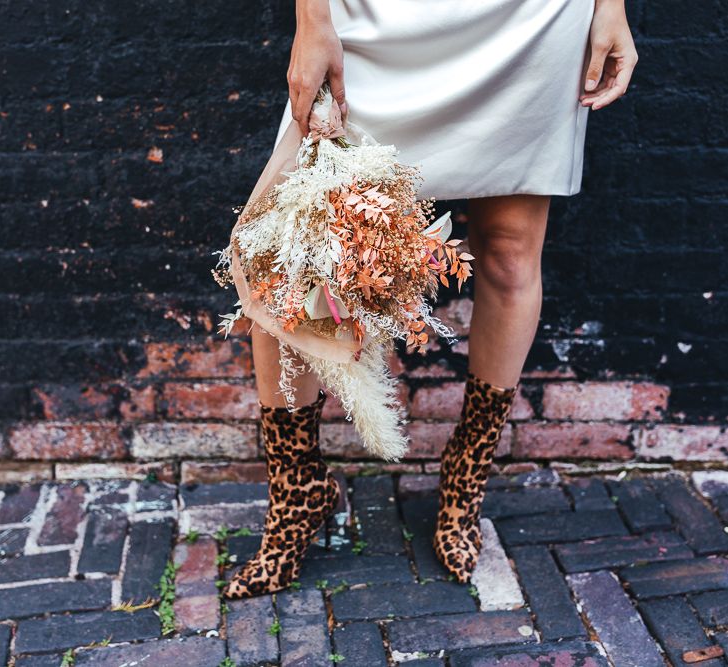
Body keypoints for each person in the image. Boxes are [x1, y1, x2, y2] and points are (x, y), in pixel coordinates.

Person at [223, 0, 638, 598]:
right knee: (297, 249)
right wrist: (312, 21)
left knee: (509, 253)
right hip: (375, 16)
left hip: (533, 23)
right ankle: (297, 494)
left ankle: (465, 477)